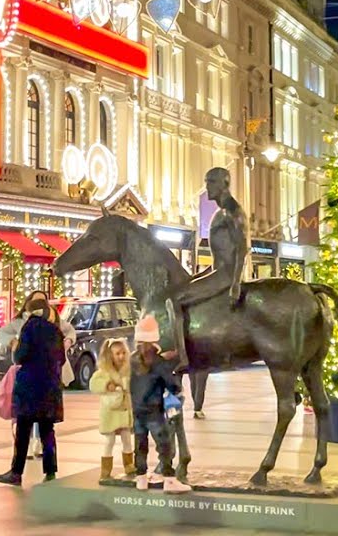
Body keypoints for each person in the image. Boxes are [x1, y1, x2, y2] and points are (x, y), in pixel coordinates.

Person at [167, 167, 248, 371]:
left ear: (224, 184)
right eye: (206, 181)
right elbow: (221, 255)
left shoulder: (232, 211)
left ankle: (183, 357)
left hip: (225, 276)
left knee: (174, 300)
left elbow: (242, 248)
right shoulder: (221, 212)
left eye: (211, 182)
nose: (207, 187)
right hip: (219, 272)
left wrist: (236, 283)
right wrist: (197, 276)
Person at [0, 295, 66, 486]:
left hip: (29, 386)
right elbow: (62, 358)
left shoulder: (28, 329)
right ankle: (50, 471)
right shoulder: (55, 330)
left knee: (23, 430)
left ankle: (16, 472)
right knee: (47, 430)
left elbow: (20, 356)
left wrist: (18, 348)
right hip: (50, 386)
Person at [127, 314, 190, 493]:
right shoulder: (159, 361)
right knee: (164, 445)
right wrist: (178, 389)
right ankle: (169, 480)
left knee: (140, 445)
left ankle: (141, 479)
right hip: (154, 411)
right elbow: (172, 383)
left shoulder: (133, 359)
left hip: (137, 410)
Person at [91, 338, 135, 479]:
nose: (121, 356)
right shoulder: (103, 371)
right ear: (110, 355)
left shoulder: (128, 370)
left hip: (124, 409)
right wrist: (106, 385)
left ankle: (129, 465)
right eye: (117, 354)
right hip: (110, 411)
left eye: (123, 353)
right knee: (109, 441)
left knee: (127, 439)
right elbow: (93, 384)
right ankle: (106, 468)